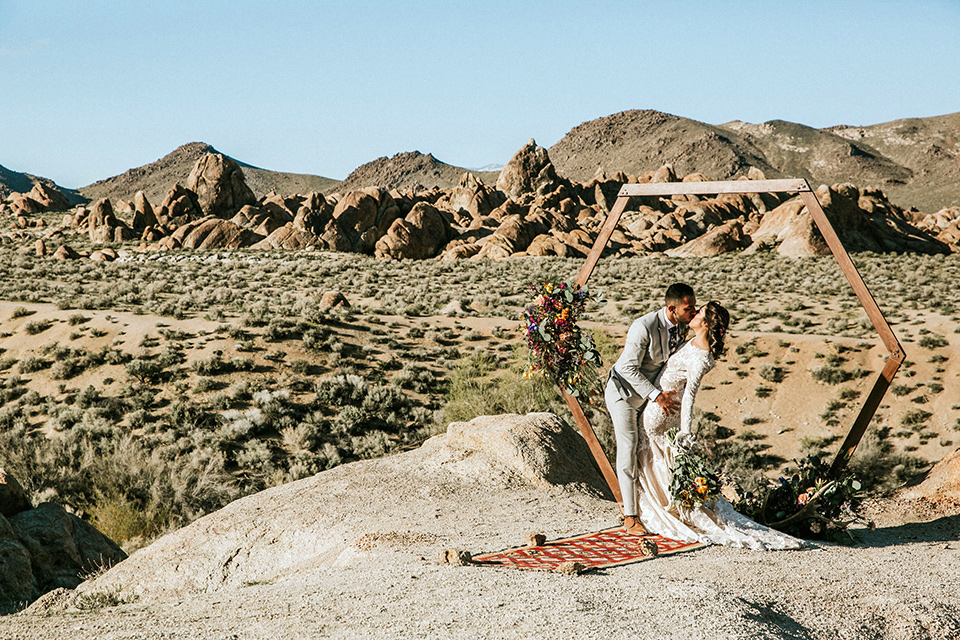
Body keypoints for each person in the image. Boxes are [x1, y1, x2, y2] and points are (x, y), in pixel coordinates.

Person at [636, 301, 804, 550]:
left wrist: (686, 430)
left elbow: (690, 394)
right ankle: (662, 504)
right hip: (662, 405)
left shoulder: (702, 357)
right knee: (658, 458)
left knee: (653, 455)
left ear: (706, 324)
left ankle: (664, 509)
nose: (693, 314)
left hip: (661, 411)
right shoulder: (692, 340)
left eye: (699, 312)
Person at [605, 283, 698, 536]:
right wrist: (657, 396)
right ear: (672, 308)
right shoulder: (642, 327)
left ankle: (659, 506)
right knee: (629, 447)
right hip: (623, 395)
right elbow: (627, 369)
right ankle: (630, 516)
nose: (693, 312)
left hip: (650, 399)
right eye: (688, 308)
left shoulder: (681, 326)